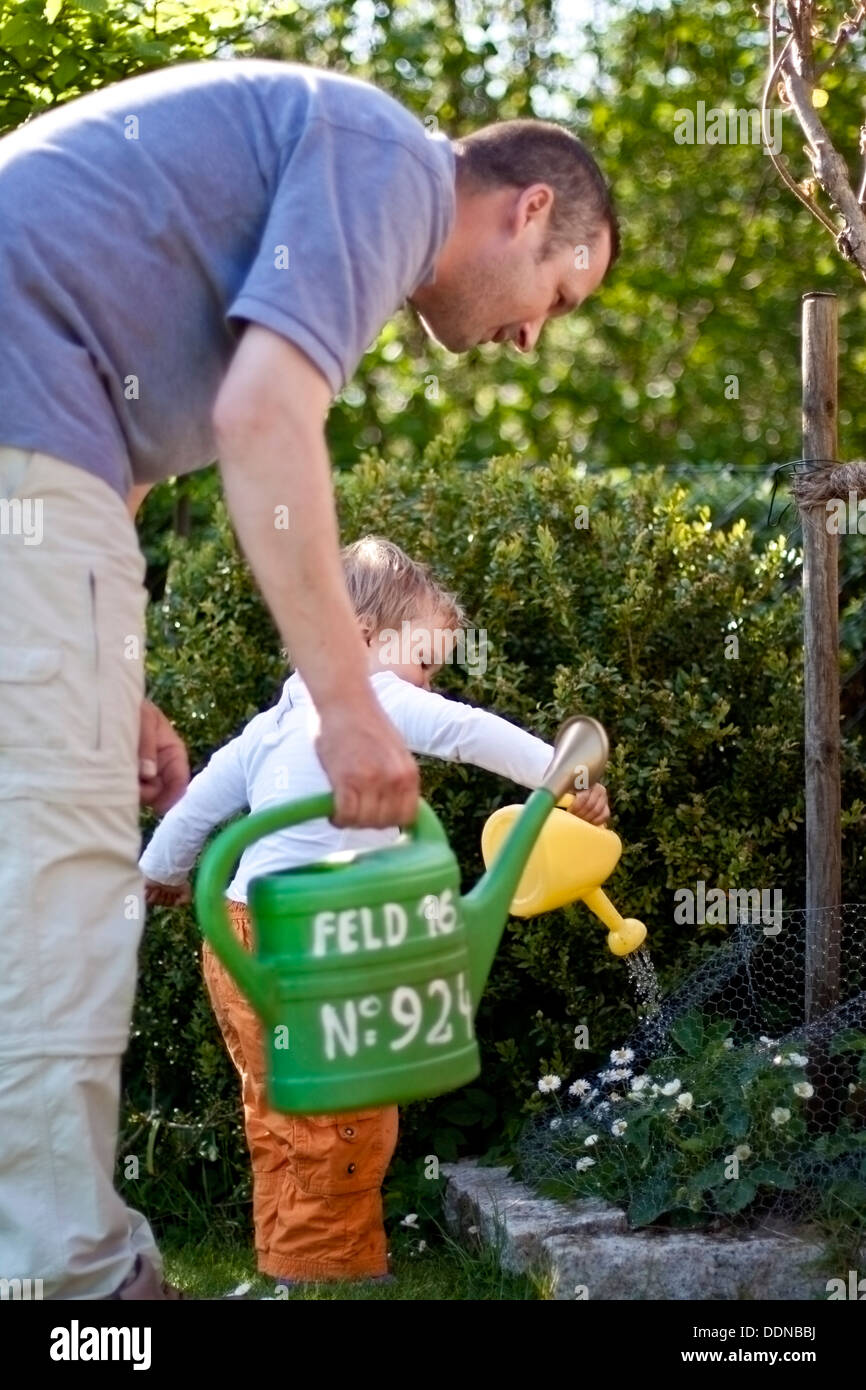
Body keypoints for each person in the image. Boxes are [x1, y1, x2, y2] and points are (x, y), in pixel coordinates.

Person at [0, 58, 618, 1299]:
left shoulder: (335, 188)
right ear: (528, 209)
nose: (532, 333)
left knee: (46, 847)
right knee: (62, 876)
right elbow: (263, 419)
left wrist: (117, 683)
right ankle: (76, 1288)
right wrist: (348, 705)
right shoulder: (392, 166)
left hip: (42, 433)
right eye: (559, 290)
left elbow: (120, 440)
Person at [139, 537, 610, 1288]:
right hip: (323, 941)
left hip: (237, 937)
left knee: (280, 1108)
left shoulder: (269, 726)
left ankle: (288, 1263)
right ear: (362, 639)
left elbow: (197, 808)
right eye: (425, 662)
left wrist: (157, 876)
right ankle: (336, 1274)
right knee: (345, 1109)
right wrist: (563, 775)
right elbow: (469, 731)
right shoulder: (374, 698)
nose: (428, 685)